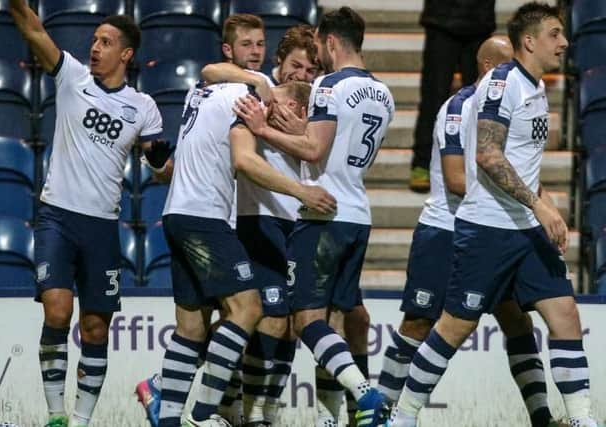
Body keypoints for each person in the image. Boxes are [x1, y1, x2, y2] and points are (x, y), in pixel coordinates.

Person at [392, 4, 602, 427]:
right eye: (555, 34)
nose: (564, 42)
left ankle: (581, 418)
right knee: (454, 328)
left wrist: (543, 202)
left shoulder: (535, 87)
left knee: (565, 314)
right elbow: (488, 155)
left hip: (524, 228)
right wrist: (538, 203)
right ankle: (403, 416)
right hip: (488, 227)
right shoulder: (502, 84)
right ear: (530, 41)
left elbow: (521, 160)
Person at [8, 2, 171, 427]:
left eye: (106, 42)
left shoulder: (143, 107)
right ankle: (57, 416)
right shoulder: (72, 76)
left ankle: (82, 422)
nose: (95, 48)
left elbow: (160, 169)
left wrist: (176, 164)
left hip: (102, 227)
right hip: (57, 216)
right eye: (95, 40)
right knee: (57, 312)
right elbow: (33, 30)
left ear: (127, 54)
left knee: (96, 330)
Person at [234, 7, 394, 427]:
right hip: (358, 212)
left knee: (306, 321)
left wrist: (265, 129)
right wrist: (303, 130)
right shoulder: (384, 93)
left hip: (323, 216)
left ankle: (366, 396)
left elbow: (313, 151)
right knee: (336, 322)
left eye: (319, 46)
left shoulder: (328, 86)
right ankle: (330, 418)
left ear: (330, 41)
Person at [148, 75, 336, 427]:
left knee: (192, 326)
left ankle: (169, 416)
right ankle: (203, 415)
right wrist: (302, 192)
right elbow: (245, 161)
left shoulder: (206, 91)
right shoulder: (248, 97)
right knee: (249, 308)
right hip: (208, 216)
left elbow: (211, 69)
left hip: (178, 212)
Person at [409, 0, 495, 192]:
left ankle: (476, 160)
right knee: (434, 97)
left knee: (479, 100)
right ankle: (423, 163)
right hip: (441, 20)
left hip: (478, 21)